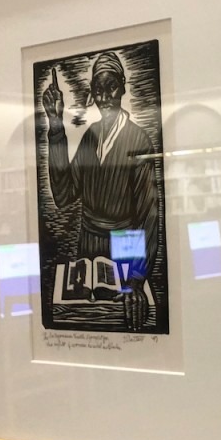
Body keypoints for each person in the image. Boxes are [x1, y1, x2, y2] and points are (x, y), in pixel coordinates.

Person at [42, 51, 160, 330]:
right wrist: (56, 125)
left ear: (123, 87)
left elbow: (148, 217)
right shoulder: (90, 136)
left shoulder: (138, 140)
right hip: (88, 245)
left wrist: (137, 278)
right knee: (87, 320)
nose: (105, 97)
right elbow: (64, 195)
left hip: (124, 247)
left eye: (111, 87)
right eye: (98, 89)